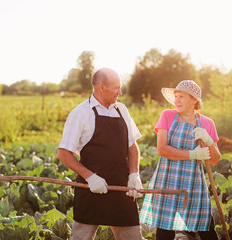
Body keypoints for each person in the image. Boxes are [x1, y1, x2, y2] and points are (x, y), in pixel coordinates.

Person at [57, 68, 143, 240]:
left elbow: (132, 146)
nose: (120, 92)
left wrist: (134, 174)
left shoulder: (122, 110)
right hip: (91, 189)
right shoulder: (80, 113)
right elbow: (64, 153)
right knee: (80, 237)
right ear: (102, 87)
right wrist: (90, 177)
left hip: (121, 188)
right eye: (117, 87)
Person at [139, 80, 221, 240]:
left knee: (206, 228)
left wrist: (209, 141)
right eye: (175, 96)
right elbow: (162, 149)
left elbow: (215, 160)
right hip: (168, 180)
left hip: (194, 183)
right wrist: (193, 154)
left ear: (194, 100)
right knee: (165, 231)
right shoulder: (168, 116)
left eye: (181, 96)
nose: (176, 100)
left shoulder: (207, 123)